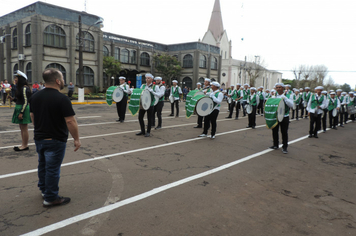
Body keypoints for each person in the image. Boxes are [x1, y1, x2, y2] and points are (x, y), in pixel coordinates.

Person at [29, 68, 81, 207]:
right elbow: (70, 121)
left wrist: (40, 128)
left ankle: (44, 189)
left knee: (43, 165)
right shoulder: (62, 99)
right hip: (55, 140)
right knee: (52, 168)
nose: (63, 81)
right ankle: (51, 197)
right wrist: (76, 139)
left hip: (39, 138)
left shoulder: (35, 96)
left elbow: (32, 116)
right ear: (58, 81)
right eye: (62, 78)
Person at [269, 83, 294, 154]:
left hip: (284, 116)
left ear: (283, 88)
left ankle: (285, 147)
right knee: (274, 131)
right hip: (275, 116)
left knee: (284, 132)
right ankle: (275, 145)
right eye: (277, 87)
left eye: (280, 87)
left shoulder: (288, 95)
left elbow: (291, 105)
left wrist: (285, 98)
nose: (278, 89)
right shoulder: (273, 95)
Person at [11, 71, 32, 151]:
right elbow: (19, 100)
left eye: (16, 78)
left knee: (24, 128)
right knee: (21, 127)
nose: (15, 79)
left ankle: (25, 145)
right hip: (19, 107)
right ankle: (23, 144)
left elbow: (25, 101)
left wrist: (21, 112)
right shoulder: (19, 88)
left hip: (22, 108)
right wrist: (12, 99)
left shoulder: (24, 88)